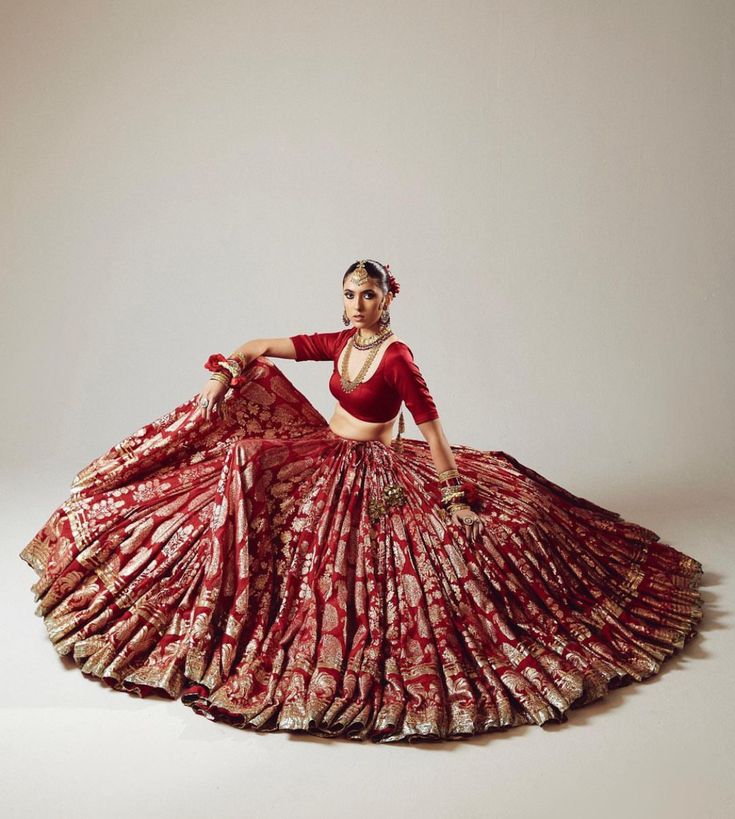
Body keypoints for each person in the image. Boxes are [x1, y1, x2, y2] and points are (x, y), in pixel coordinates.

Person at [19, 259, 704, 744]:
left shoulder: (398, 357)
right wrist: (224, 376)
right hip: (325, 453)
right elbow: (261, 345)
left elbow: (433, 429)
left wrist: (453, 492)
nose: (356, 306)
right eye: (349, 295)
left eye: (367, 295)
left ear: (387, 299)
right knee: (239, 467)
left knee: (373, 566)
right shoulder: (340, 342)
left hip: (378, 469)